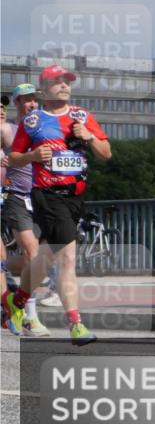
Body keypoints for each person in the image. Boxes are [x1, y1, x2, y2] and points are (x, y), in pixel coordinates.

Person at [4, 66, 112, 346]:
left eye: (67, 81)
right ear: (44, 89)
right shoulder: (33, 121)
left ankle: (18, 301)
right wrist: (33, 155)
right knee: (67, 257)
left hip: (75, 196)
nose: (64, 85)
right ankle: (76, 323)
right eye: (57, 81)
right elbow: (14, 158)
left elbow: (106, 154)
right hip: (46, 194)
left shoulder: (82, 116)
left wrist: (89, 137)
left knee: (46, 257)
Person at [1, 84, 50, 336]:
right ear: (17, 103)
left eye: (35, 100)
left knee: (39, 259)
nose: (32, 104)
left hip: (40, 198)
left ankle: (3, 267)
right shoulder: (7, 129)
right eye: (27, 100)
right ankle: (30, 317)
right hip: (15, 197)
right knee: (32, 252)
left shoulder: (43, 131)